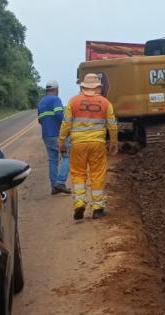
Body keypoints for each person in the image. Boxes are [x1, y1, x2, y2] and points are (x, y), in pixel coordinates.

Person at [59, 73, 118, 220]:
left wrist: (61, 142)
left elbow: (66, 124)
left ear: (83, 87)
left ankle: (80, 202)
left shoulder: (73, 102)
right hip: (97, 144)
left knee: (78, 173)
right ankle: (98, 208)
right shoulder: (105, 103)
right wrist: (114, 142)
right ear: (97, 87)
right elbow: (112, 125)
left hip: (77, 145)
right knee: (97, 174)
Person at [37, 80, 68, 195]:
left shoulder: (41, 102)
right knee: (67, 156)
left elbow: (40, 120)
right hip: (57, 134)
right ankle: (60, 181)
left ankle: (54, 186)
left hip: (46, 135)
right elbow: (59, 114)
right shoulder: (55, 99)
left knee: (53, 160)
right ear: (56, 89)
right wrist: (66, 127)